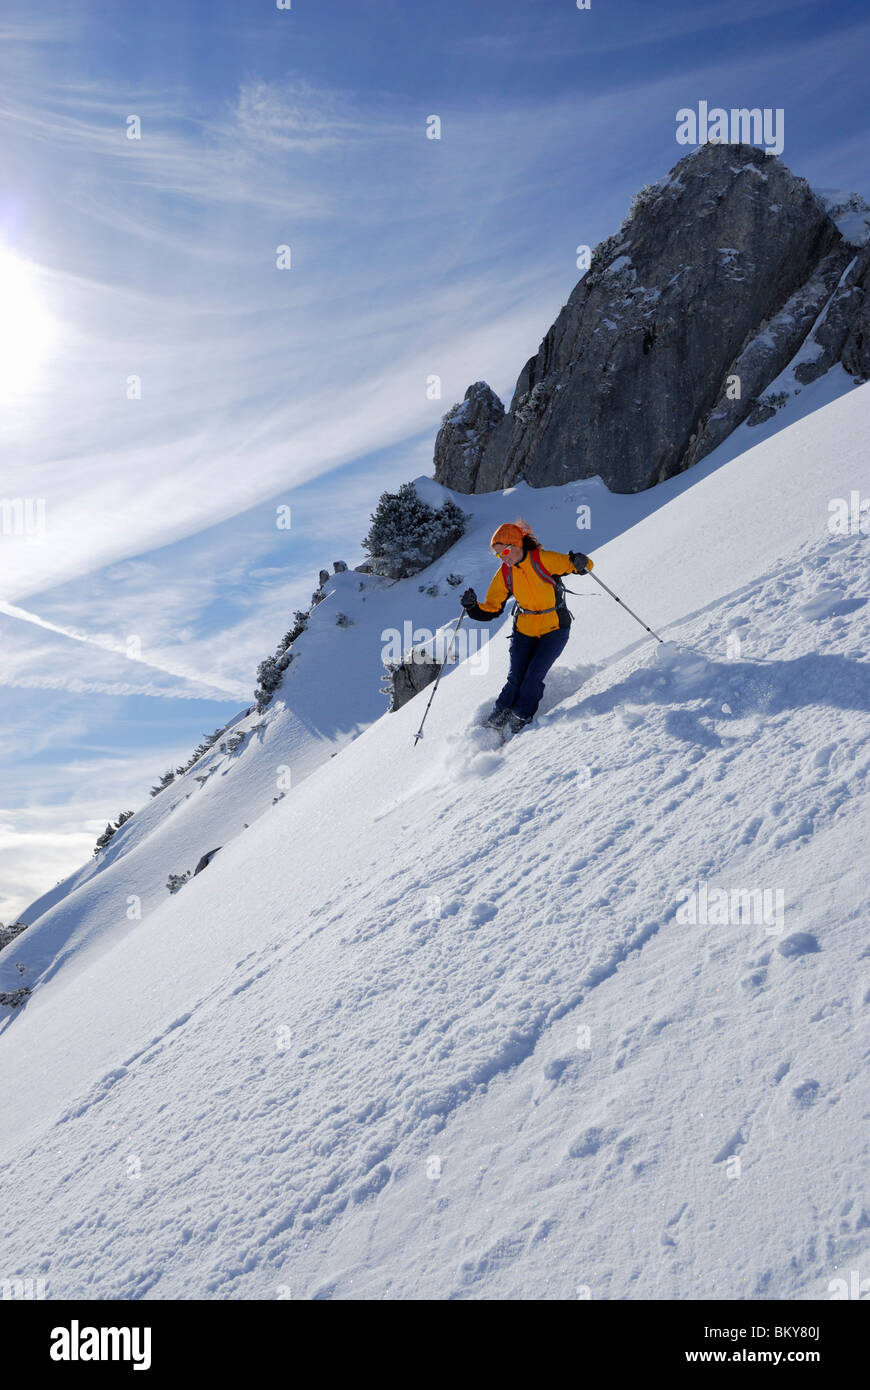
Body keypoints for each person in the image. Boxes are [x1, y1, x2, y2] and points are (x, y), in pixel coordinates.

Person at [460, 520, 593, 733]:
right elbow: (493, 608)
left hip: (555, 629)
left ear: (517, 544)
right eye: (498, 555)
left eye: (505, 551)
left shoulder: (543, 560)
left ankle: (519, 721)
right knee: (515, 679)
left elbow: (581, 566)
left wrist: (580, 562)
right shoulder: (505, 573)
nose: (503, 557)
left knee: (532, 677)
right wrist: (473, 607)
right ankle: (493, 725)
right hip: (524, 631)